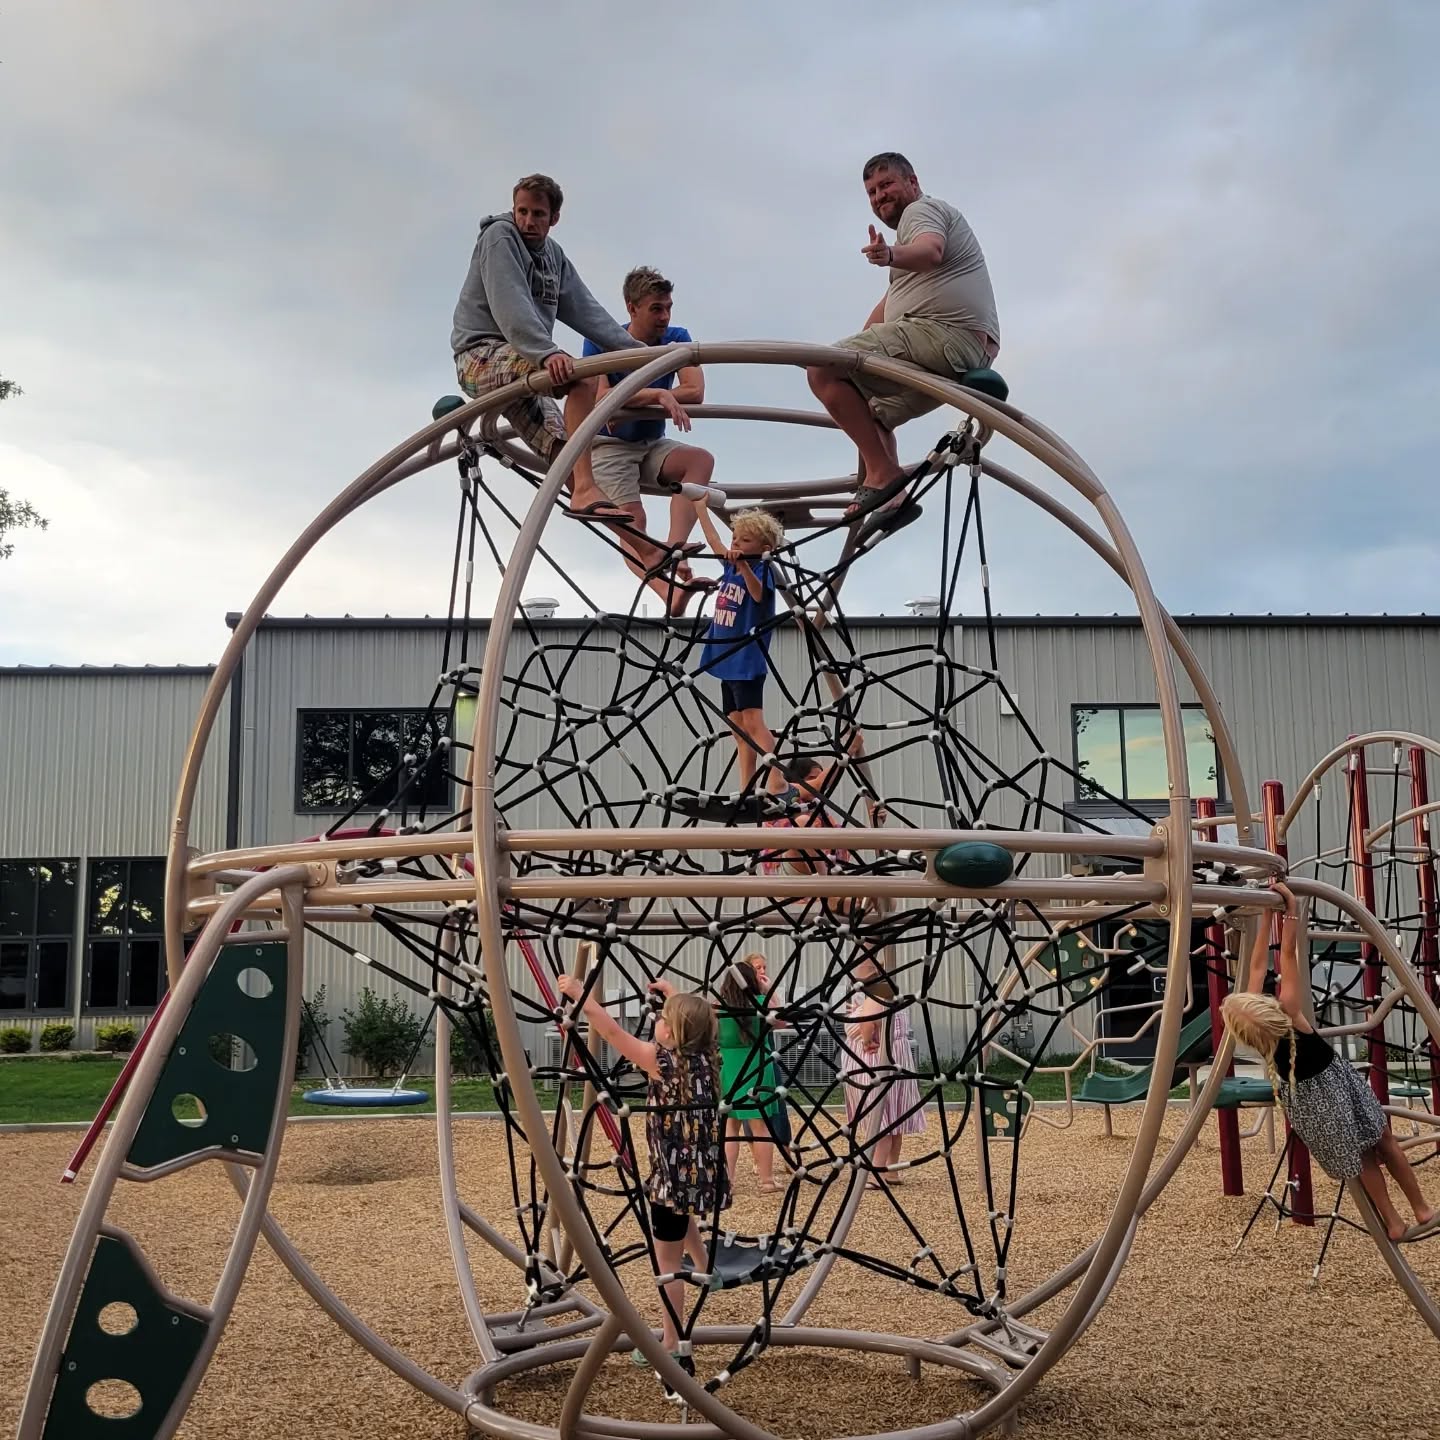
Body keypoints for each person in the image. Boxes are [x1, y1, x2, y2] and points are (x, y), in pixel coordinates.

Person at [1222, 883, 1437, 1243]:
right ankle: (1421, 1207)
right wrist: (1286, 909)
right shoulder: (1289, 1012)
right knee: (1383, 1139)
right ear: (1265, 1005)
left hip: (1308, 1103)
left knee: (1362, 1158)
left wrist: (1264, 913)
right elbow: (1285, 956)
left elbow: (1259, 965)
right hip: (1335, 1083)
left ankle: (1394, 1221)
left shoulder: (1262, 1038)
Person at [555, 974, 728, 1397]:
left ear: (672, 1031)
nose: (655, 1024)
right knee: (681, 1216)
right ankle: (706, 1266)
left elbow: (611, 1031)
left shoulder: (660, 1061)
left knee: (667, 1265)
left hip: (671, 1175)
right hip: (699, 1173)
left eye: (662, 1020)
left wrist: (583, 997)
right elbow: (706, 1019)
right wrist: (675, 999)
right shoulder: (709, 1058)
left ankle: (671, 1343)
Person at [805, 152, 1001, 522]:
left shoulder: (920, 214)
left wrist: (890, 253)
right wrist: (848, 362)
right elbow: (880, 317)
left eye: (886, 184)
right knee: (870, 414)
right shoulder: (906, 265)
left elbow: (932, 251)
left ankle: (885, 475)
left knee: (820, 368)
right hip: (958, 351)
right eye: (871, 192)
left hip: (944, 336)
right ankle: (891, 499)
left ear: (912, 181)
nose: (879, 196)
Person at [449, 173, 639, 515]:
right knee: (580, 375)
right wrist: (547, 353)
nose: (527, 222)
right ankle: (585, 489)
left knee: (567, 452)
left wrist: (636, 353)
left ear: (554, 218)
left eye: (537, 214)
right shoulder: (500, 237)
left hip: (524, 357)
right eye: (522, 211)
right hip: (480, 356)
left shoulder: (553, 255)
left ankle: (647, 555)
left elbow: (586, 310)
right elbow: (512, 307)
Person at [580, 267, 717, 617]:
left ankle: (672, 548)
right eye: (656, 308)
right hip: (610, 446)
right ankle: (667, 591)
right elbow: (600, 397)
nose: (665, 316)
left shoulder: (676, 338)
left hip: (650, 444)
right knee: (632, 523)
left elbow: (695, 391)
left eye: (668, 307)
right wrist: (658, 395)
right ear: (632, 308)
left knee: (700, 460)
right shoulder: (601, 339)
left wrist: (635, 399)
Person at [693, 501, 789, 802]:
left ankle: (778, 781)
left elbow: (758, 594)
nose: (735, 544)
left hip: (746, 660)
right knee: (737, 727)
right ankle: (747, 786)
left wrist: (745, 564)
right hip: (726, 659)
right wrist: (699, 509)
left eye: (744, 541)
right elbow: (714, 541)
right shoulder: (730, 564)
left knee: (753, 722)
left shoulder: (762, 569)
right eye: (736, 538)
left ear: (764, 547)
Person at [839, 955, 926, 1187]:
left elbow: (869, 1019)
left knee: (881, 1116)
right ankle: (891, 1170)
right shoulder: (890, 992)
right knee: (895, 1115)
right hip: (897, 1055)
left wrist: (867, 1040)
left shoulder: (876, 992)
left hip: (876, 1058)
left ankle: (876, 1172)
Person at [716, 958, 781, 1191]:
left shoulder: (720, 1009)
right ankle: (766, 1180)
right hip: (758, 1066)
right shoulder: (762, 1005)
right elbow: (782, 1020)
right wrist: (768, 991)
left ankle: (728, 1181)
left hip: (730, 1068)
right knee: (760, 1125)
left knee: (730, 1126)